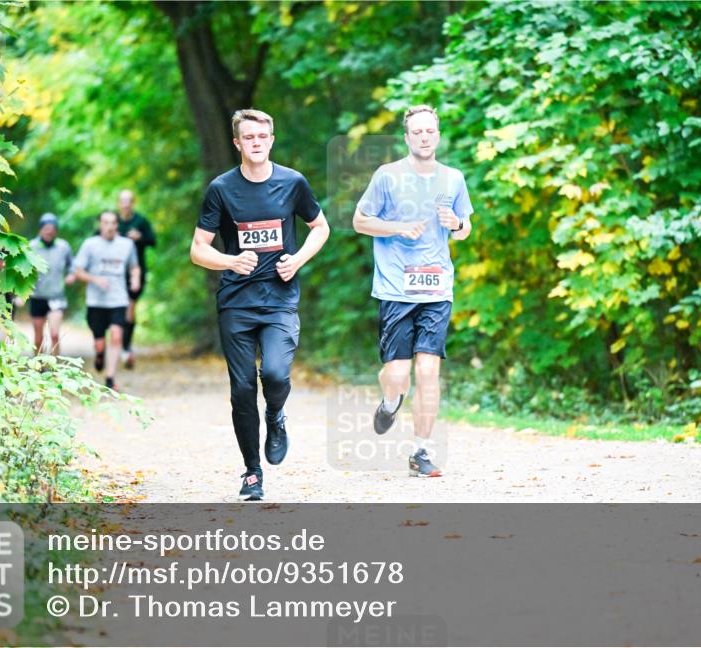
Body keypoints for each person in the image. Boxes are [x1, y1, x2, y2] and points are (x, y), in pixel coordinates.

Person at [190, 109, 330, 501]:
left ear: (271, 139)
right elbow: (198, 249)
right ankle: (252, 472)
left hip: (280, 299)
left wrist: (298, 259)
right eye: (248, 137)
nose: (256, 142)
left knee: (275, 374)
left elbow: (321, 228)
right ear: (238, 143)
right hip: (236, 302)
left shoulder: (292, 183)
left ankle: (275, 416)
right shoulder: (221, 189)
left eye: (262, 136)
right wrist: (231, 261)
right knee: (241, 388)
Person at [352, 104, 474, 478]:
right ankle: (390, 401)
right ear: (407, 138)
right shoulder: (387, 176)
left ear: (437, 135)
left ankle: (420, 451)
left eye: (429, 131)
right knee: (398, 373)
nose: (424, 137)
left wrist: (457, 224)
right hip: (395, 289)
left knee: (428, 370)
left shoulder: (453, 178)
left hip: (437, 288)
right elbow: (360, 221)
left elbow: (465, 228)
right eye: (416, 132)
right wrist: (396, 228)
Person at [72, 211, 141, 391]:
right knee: (100, 342)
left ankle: (110, 379)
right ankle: (100, 353)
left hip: (118, 299)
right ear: (100, 225)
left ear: (117, 225)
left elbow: (134, 266)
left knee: (117, 337)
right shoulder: (90, 245)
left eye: (112, 223)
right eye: (105, 223)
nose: (109, 226)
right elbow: (77, 270)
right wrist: (95, 280)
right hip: (96, 301)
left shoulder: (127, 245)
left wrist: (135, 279)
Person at [117, 189, 156, 369]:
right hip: (114, 274)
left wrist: (140, 237)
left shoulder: (140, 221)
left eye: (128, 201)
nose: (125, 204)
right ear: (119, 203)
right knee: (118, 310)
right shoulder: (112, 222)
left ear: (132, 203)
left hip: (136, 272)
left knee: (130, 309)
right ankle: (116, 343)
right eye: (122, 201)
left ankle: (126, 348)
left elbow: (153, 241)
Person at [27, 213, 75, 355]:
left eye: (52, 228)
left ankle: (55, 370)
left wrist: (71, 276)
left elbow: (72, 266)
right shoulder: (31, 247)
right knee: (38, 338)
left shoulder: (63, 247)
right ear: (40, 229)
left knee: (54, 335)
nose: (49, 231)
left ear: (56, 231)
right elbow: (21, 270)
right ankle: (39, 368)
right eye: (46, 228)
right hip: (37, 296)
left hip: (56, 297)